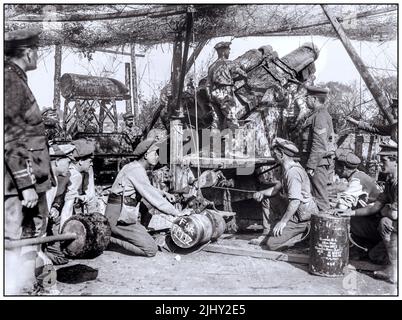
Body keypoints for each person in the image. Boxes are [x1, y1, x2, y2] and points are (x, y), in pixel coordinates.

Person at [4, 28, 54, 294]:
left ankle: (25, 287)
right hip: (17, 183)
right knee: (12, 239)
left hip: (28, 180)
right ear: (27, 52)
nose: (37, 55)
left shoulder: (16, 80)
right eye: (37, 50)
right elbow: (10, 137)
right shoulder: (10, 82)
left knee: (31, 235)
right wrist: (25, 184)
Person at [104, 138, 181, 257]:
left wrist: (164, 193)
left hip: (116, 212)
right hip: (119, 217)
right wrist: (176, 213)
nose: (157, 156)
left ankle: (136, 232)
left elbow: (146, 189)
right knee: (151, 249)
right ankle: (109, 240)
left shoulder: (133, 167)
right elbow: (153, 198)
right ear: (146, 155)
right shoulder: (137, 171)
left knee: (148, 203)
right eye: (155, 153)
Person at [337, 140, 398, 284]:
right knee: (374, 256)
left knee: (385, 223)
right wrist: (350, 213)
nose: (380, 164)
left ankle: (395, 270)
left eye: (384, 160)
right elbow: (374, 207)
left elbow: (394, 214)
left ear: (396, 161)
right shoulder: (390, 181)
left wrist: (385, 210)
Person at [252, 138, 318, 250]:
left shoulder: (293, 173)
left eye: (274, 153)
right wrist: (261, 193)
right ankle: (267, 233)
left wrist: (283, 222)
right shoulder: (287, 168)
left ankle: (301, 237)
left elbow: (295, 201)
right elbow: (276, 189)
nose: (273, 156)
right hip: (294, 211)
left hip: (301, 217)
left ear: (281, 154)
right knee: (267, 198)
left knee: (271, 245)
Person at [300, 85, 334, 211]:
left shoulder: (320, 116)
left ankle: (327, 228)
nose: (305, 100)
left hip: (317, 164)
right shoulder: (315, 115)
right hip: (314, 163)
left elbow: (319, 145)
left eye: (307, 98)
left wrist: (311, 166)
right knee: (311, 196)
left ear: (314, 99)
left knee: (320, 198)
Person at [44, 144, 76, 266]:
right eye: (68, 162)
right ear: (57, 161)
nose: (70, 166)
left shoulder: (55, 178)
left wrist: (55, 207)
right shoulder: (45, 178)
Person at [207, 41, 247, 130]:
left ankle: (214, 142)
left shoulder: (212, 66)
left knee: (217, 121)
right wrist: (235, 79)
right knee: (231, 117)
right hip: (225, 92)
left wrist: (210, 96)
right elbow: (244, 75)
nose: (229, 52)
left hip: (213, 93)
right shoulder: (228, 63)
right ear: (223, 52)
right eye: (228, 50)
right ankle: (235, 141)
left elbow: (208, 84)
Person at [59, 139, 96, 230]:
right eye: (89, 161)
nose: (92, 164)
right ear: (80, 161)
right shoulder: (73, 174)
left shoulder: (86, 171)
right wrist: (64, 232)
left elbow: (91, 195)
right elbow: (67, 208)